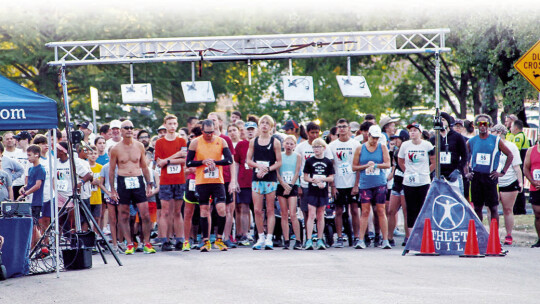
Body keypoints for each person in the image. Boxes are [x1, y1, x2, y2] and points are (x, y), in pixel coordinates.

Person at [109, 120, 156, 255]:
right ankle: (129, 243)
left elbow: (144, 166)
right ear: (121, 131)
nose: (129, 130)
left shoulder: (139, 146)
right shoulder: (116, 149)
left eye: (131, 128)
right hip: (123, 180)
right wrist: (112, 189)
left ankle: (146, 242)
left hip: (137, 179)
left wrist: (149, 183)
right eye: (126, 128)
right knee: (124, 214)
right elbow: (112, 170)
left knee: (145, 214)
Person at [186, 119, 233, 252]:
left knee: (221, 209)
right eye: (207, 133)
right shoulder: (195, 142)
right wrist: (202, 162)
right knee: (204, 210)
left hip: (218, 181)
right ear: (202, 131)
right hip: (202, 181)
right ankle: (205, 241)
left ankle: (219, 239)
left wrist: (215, 162)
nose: (210, 135)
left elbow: (229, 160)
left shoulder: (221, 141)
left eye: (212, 132)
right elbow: (189, 163)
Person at [465, 114, 513, 223]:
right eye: (480, 124)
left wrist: (502, 172)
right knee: (477, 207)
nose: (482, 126)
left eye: (485, 123)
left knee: (493, 208)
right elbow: (464, 156)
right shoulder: (472, 141)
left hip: (490, 176)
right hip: (476, 176)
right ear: (476, 126)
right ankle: (479, 233)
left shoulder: (496, 140)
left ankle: (493, 236)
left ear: (489, 125)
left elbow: (510, 155)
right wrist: (466, 172)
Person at [353, 125, 392, 249]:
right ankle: (361, 239)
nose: (374, 140)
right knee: (365, 211)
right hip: (365, 184)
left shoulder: (382, 147)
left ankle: (385, 239)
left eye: (377, 138)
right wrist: (365, 166)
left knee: (381, 210)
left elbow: (388, 164)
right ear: (368, 136)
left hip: (379, 182)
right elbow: (354, 167)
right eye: (373, 137)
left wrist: (376, 165)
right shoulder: (360, 148)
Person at [247, 115, 282, 250]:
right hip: (257, 178)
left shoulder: (275, 142)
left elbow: (279, 162)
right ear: (259, 125)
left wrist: (267, 169)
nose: (264, 125)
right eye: (262, 123)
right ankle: (260, 236)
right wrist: (258, 167)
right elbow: (248, 160)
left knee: (270, 209)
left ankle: (269, 237)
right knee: (257, 209)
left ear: (271, 127)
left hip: (270, 178)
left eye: (267, 123)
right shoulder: (253, 141)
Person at [295, 122, 333, 240]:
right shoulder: (301, 147)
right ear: (307, 133)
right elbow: (297, 166)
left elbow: (330, 166)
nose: (315, 135)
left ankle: (320, 236)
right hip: (306, 184)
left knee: (321, 212)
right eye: (312, 133)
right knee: (307, 212)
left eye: (317, 132)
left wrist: (329, 185)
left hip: (321, 185)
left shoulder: (324, 146)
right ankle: (308, 236)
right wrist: (299, 185)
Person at [154, 114, 187, 251]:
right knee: (165, 211)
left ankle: (179, 239)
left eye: (174, 123)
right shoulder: (159, 142)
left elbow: (184, 158)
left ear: (177, 124)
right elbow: (158, 162)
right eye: (170, 124)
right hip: (166, 180)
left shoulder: (182, 141)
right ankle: (165, 240)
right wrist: (174, 157)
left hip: (179, 179)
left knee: (178, 211)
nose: (172, 126)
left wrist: (167, 160)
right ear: (165, 125)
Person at [328, 118, 361, 248]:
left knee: (354, 209)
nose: (342, 129)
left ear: (348, 128)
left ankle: (357, 236)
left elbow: (358, 165)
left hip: (352, 181)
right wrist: (333, 186)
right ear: (337, 129)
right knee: (339, 210)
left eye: (344, 126)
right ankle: (340, 237)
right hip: (338, 182)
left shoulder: (355, 145)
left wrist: (356, 185)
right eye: (340, 126)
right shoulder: (332, 146)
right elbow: (331, 167)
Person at [398, 123, 435, 237]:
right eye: (411, 131)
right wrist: (407, 172)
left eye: (415, 130)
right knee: (410, 209)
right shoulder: (405, 145)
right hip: (409, 181)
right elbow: (400, 161)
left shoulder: (427, 145)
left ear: (420, 132)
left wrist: (425, 172)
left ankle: (424, 234)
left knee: (422, 207)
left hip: (423, 181)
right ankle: (411, 236)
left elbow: (434, 162)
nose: (412, 132)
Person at [207, 112, 238, 248]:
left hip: (224, 178)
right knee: (208, 209)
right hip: (209, 179)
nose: (211, 123)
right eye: (209, 121)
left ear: (219, 122)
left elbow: (231, 161)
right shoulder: (203, 139)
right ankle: (208, 238)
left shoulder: (226, 139)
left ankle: (226, 237)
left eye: (214, 120)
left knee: (227, 209)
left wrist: (233, 181)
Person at [490, 124, 522, 245]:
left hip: (508, 180)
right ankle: (494, 234)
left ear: (498, 133)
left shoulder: (511, 146)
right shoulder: (490, 146)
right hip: (493, 180)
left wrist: (520, 182)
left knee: (507, 209)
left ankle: (509, 234)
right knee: (491, 208)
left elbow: (516, 166)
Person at [303, 138, 334, 250]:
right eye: (314, 147)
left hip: (323, 191)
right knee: (311, 214)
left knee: (321, 214)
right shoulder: (309, 161)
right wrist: (314, 180)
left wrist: (323, 180)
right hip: (312, 191)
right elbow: (306, 177)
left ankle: (320, 239)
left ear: (323, 148)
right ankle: (309, 239)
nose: (316, 149)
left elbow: (331, 177)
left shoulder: (328, 162)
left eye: (318, 147)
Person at [429, 112, 468, 190]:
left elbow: (465, 155)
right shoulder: (433, 139)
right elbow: (429, 158)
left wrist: (458, 170)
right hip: (438, 175)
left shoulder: (457, 137)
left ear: (448, 122)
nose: (441, 122)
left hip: (453, 174)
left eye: (443, 120)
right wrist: (432, 171)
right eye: (439, 120)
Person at [276, 135, 302, 250]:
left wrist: (290, 185)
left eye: (291, 144)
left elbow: (297, 172)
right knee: (284, 214)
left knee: (293, 213)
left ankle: (298, 240)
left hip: (293, 185)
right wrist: (283, 184)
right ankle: (286, 240)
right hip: (281, 185)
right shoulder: (279, 156)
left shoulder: (297, 156)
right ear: (283, 144)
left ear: (295, 146)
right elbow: (277, 171)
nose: (289, 146)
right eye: (287, 143)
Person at [233, 121, 256, 247]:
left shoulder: (260, 143)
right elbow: (236, 163)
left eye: (253, 129)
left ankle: (259, 234)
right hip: (243, 180)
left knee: (258, 210)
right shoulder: (241, 145)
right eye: (248, 129)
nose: (250, 131)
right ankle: (244, 234)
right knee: (243, 208)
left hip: (258, 180)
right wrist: (235, 180)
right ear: (244, 131)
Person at [387, 130, 409, 246]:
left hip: (406, 183)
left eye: (398, 138)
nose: (395, 141)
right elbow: (393, 165)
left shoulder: (408, 149)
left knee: (406, 211)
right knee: (391, 210)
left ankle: (407, 237)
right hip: (397, 182)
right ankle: (389, 237)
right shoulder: (395, 151)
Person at [20, 145, 46, 248]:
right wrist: (24, 188)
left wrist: (26, 194)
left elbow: (37, 185)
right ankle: (42, 247)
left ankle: (34, 247)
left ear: (37, 155)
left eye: (30, 155)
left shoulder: (40, 169)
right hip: (29, 201)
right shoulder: (31, 169)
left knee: (34, 225)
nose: (28, 157)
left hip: (36, 201)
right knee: (32, 225)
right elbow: (30, 184)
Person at [182, 126, 202, 251]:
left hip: (204, 182)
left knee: (205, 212)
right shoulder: (190, 150)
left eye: (193, 136)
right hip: (191, 182)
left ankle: (204, 239)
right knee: (188, 212)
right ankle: (186, 241)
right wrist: (191, 170)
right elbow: (185, 170)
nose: (191, 139)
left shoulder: (207, 148)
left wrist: (199, 169)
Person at [523, 133, 540, 248]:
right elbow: (525, 168)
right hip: (535, 186)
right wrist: (533, 182)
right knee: (538, 213)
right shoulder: (531, 150)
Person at [4, 131, 28, 199]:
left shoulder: (21, 152)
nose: (9, 140)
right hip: (9, 185)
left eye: (11, 138)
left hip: (22, 183)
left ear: (15, 140)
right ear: (4, 142)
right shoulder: (3, 154)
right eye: (7, 139)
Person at [87, 146, 104, 234]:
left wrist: (98, 182)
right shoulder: (85, 166)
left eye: (95, 153)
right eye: (91, 153)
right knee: (86, 219)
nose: (93, 156)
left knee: (97, 218)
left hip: (97, 196)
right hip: (87, 196)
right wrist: (91, 181)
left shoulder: (100, 167)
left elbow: (102, 181)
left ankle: (96, 235)